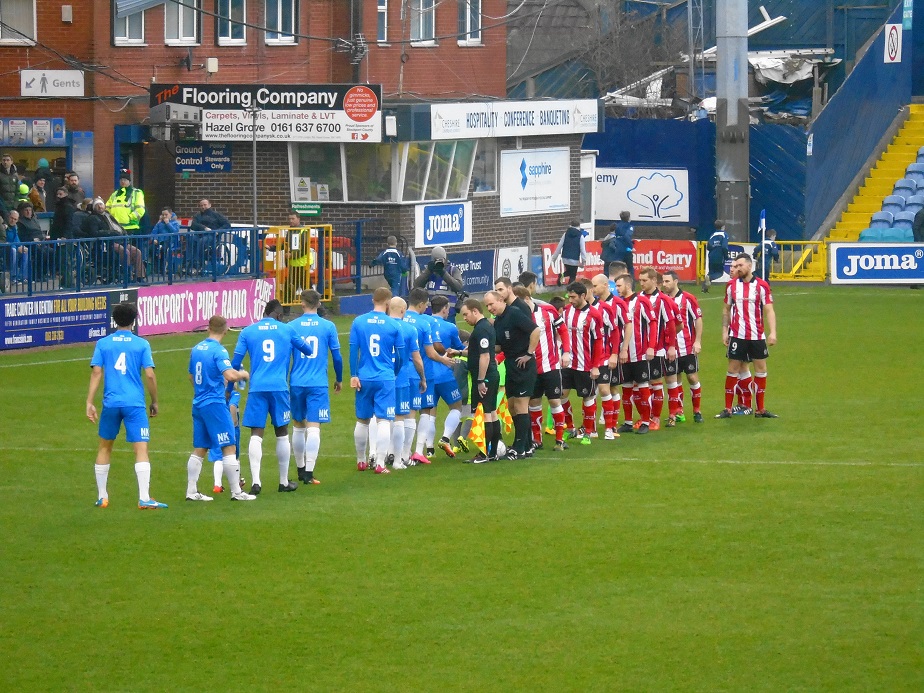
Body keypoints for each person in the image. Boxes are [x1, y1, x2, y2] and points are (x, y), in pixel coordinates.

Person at [85, 302, 166, 509]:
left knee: (105, 446)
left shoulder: (103, 343)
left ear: (114, 320)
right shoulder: (141, 344)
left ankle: (102, 497)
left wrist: (89, 401)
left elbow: (96, 372)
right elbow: (149, 374)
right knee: (141, 448)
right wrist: (154, 400)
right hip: (134, 404)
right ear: (134, 320)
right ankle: (144, 497)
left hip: (111, 403)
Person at [231, 299, 314, 494]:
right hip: (279, 387)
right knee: (282, 432)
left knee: (256, 433)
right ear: (278, 315)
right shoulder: (286, 330)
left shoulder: (248, 331)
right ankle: (283, 482)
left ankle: (256, 482)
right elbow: (308, 350)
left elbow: (235, 362)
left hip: (257, 387)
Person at [185, 315, 253, 502]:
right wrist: (243, 374)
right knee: (229, 446)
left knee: (200, 447)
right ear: (226, 330)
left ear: (208, 328)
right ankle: (237, 493)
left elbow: (191, 376)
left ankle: (191, 492)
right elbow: (230, 375)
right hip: (214, 404)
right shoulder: (219, 351)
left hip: (198, 402)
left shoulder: (197, 348)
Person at [349, 287, 406, 474]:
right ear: (389, 303)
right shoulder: (394, 325)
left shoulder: (359, 321)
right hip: (385, 377)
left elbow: (353, 351)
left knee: (362, 420)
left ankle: (360, 460)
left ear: (373, 300)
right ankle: (380, 463)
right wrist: (394, 371)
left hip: (364, 376)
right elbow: (400, 355)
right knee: (383, 420)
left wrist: (354, 374)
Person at [289, 290, 343, 484]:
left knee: (297, 426)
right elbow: (336, 356)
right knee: (314, 427)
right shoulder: (328, 326)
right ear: (319, 304)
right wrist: (339, 378)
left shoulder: (291, 326)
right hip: (317, 383)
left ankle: (300, 469)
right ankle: (309, 474)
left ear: (302, 303)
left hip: (296, 381)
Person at [717, 254, 778, 419]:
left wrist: (772, 332)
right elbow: (726, 310)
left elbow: (769, 310)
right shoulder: (731, 286)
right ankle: (727, 409)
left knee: (761, 370)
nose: (737, 269)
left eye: (740, 265)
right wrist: (724, 331)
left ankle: (760, 409)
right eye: (735, 266)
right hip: (737, 335)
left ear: (750, 266)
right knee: (732, 369)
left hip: (757, 335)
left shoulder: (762, 286)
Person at [484, 290, 540, 459]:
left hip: (524, 365)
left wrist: (529, 353)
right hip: (511, 364)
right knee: (511, 406)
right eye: (486, 306)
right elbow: (500, 346)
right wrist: (480, 348)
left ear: (501, 300)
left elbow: (535, 330)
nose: (489, 308)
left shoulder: (514, 313)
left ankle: (520, 448)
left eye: (491, 304)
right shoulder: (499, 321)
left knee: (521, 405)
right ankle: (527, 444)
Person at [404, 287, 455, 464]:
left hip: (400, 373)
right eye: (425, 305)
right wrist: (445, 361)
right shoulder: (424, 322)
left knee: (401, 412)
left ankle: (397, 452)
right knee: (425, 411)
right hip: (423, 372)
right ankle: (418, 451)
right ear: (421, 304)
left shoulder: (398, 318)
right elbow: (431, 352)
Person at [518, 284, 571, 451]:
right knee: (534, 403)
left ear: (527, 299)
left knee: (555, 400)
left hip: (551, 365)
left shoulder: (548, 310)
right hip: (532, 368)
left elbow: (562, 330)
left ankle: (560, 439)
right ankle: (537, 439)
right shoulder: (519, 316)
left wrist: (566, 352)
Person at [561, 281, 606, 441]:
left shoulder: (594, 314)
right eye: (569, 297)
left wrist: (595, 366)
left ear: (583, 295)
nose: (570, 300)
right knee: (561, 396)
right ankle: (571, 427)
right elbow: (561, 332)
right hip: (567, 364)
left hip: (585, 365)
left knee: (588, 398)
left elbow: (599, 341)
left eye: (573, 297)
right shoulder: (566, 312)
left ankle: (589, 431)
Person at [458, 298, 501, 463]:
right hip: (491, 374)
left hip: (485, 376)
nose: (465, 318)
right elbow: (478, 352)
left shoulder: (481, 329)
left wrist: (481, 380)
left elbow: (484, 356)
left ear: (475, 311)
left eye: (466, 314)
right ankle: (493, 453)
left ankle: (485, 453)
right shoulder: (485, 327)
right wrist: (459, 352)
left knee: (485, 414)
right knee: (492, 413)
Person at [638, 267, 680, 431]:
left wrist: (670, 346)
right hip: (642, 350)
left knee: (665, 381)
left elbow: (672, 324)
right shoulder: (639, 299)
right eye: (640, 280)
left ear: (655, 281)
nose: (641, 284)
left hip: (659, 349)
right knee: (644, 383)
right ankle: (647, 417)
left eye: (645, 280)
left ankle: (668, 416)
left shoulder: (662, 300)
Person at [615, 274, 657, 434]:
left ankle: (646, 421)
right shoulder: (617, 304)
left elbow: (652, 324)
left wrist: (651, 346)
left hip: (639, 353)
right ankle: (627, 422)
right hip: (622, 354)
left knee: (642, 386)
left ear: (627, 285)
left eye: (619, 286)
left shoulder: (641, 301)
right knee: (626, 388)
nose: (617, 289)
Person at [387, 296, 425, 470]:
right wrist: (423, 377)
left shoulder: (381, 326)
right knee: (405, 415)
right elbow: (417, 358)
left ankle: (378, 454)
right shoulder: (410, 329)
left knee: (381, 416)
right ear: (403, 310)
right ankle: (402, 456)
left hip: (382, 376)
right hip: (404, 375)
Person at [661, 270, 704, 424]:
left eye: (667, 281)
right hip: (670, 349)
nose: (664, 284)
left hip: (687, 347)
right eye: (663, 282)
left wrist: (697, 341)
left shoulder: (688, 298)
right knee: (674, 380)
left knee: (692, 377)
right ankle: (678, 411)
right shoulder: (662, 299)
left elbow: (698, 319)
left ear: (676, 281)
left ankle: (697, 410)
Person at [591, 273, 629, 439]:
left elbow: (627, 326)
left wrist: (622, 349)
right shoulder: (596, 305)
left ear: (605, 285)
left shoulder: (617, 303)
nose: (593, 289)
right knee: (606, 387)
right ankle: (606, 421)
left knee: (612, 386)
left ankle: (611, 423)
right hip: (598, 354)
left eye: (595, 286)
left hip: (612, 353)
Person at [429, 295, 465, 458]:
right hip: (444, 374)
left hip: (426, 375)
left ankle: (428, 450)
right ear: (444, 309)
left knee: (428, 412)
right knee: (457, 407)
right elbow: (459, 348)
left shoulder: (423, 323)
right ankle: (445, 438)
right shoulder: (450, 327)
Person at [414, 245, 466, 318]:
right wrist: (428, 271)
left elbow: (458, 287)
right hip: (429, 313)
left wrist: (443, 273)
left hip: (448, 313)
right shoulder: (429, 271)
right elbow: (416, 285)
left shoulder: (452, 270)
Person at [106, 169, 146, 234]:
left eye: (125, 180)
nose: (122, 181)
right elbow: (107, 208)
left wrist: (130, 218)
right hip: (116, 227)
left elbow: (140, 209)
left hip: (131, 227)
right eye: (121, 180)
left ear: (129, 181)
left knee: (129, 244)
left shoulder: (136, 193)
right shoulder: (115, 194)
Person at [551, 220, 587, 286]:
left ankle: (562, 275)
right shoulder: (580, 236)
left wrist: (554, 258)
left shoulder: (565, 234)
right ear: (579, 226)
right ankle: (569, 291)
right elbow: (582, 250)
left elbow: (559, 246)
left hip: (565, 258)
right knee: (572, 276)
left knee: (569, 272)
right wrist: (584, 261)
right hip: (574, 259)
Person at [151, 207, 181, 274]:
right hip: (159, 241)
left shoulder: (175, 223)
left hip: (170, 241)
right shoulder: (159, 224)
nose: (164, 216)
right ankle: (155, 269)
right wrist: (154, 239)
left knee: (164, 250)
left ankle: (163, 269)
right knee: (152, 249)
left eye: (166, 215)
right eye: (163, 215)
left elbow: (175, 232)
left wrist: (168, 224)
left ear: (170, 214)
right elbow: (154, 232)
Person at [4, 209, 29, 284]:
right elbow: (5, 240)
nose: (13, 220)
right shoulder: (3, 227)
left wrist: (21, 246)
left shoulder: (15, 228)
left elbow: (16, 240)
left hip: (13, 247)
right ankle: (13, 277)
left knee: (25, 250)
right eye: (11, 218)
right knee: (14, 251)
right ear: (8, 217)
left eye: (15, 219)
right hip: (5, 249)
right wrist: (16, 247)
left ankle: (22, 277)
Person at [704, 219, 729, 291]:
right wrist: (726, 256)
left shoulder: (712, 235)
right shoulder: (724, 234)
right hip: (719, 256)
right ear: (723, 227)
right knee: (719, 273)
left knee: (711, 272)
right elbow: (724, 247)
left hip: (711, 256)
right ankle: (710, 278)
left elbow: (708, 246)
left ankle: (704, 289)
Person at [0, 154, 19, 219]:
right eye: (4, 160)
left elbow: (17, 191)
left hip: (12, 207)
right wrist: (3, 208)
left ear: (11, 162)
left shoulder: (15, 175)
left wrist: (15, 205)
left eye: (8, 160)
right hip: (2, 207)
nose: (5, 162)